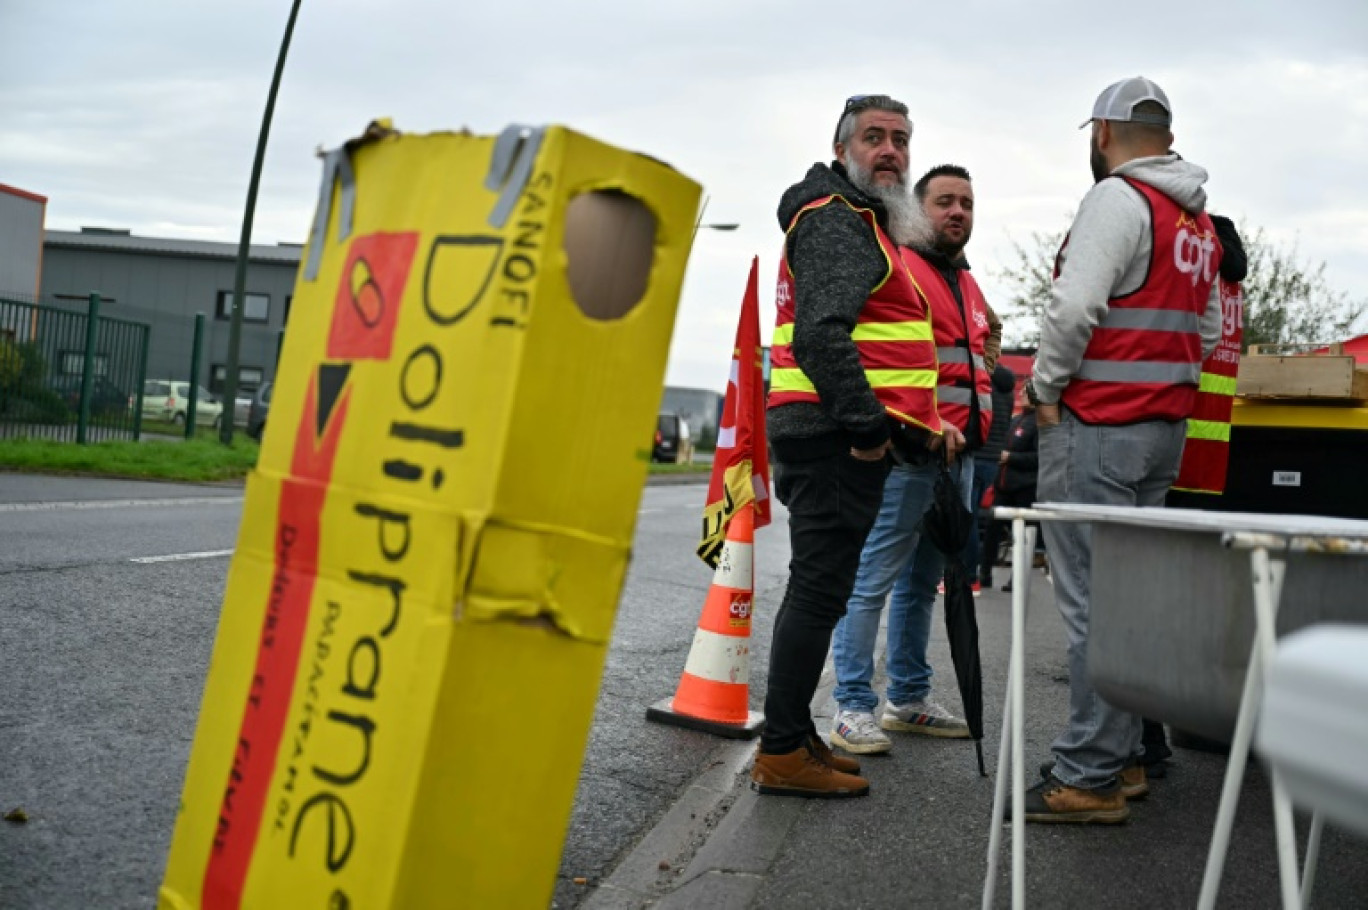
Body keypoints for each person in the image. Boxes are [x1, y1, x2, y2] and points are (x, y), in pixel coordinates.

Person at [1022, 76, 1224, 824]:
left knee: (1092, 610)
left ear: (1102, 134)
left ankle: (1089, 777)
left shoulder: (1118, 198)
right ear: (1164, 133)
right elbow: (1205, 330)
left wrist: (1046, 389)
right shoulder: (1193, 219)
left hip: (1096, 428)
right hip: (1159, 431)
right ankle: (1126, 757)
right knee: (1129, 607)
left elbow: (1075, 305)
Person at [753, 95, 961, 798]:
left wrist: (920, 423)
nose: (891, 151)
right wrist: (871, 432)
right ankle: (783, 751)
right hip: (833, 439)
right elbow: (820, 337)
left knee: (825, 589)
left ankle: (794, 737)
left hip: (832, 434)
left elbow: (881, 348)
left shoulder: (862, 222)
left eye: (901, 139)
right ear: (842, 148)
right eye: (874, 138)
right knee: (819, 591)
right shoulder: (840, 220)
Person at [828, 163, 993, 756]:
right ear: (919, 211)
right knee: (871, 580)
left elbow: (984, 339)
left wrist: (981, 388)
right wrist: (925, 419)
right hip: (910, 453)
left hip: (959, 459)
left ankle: (908, 698)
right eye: (945, 202)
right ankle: (851, 706)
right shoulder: (903, 267)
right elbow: (877, 354)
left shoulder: (964, 281)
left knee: (923, 584)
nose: (957, 212)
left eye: (967, 204)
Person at [1141, 213, 1249, 770]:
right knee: (1189, 605)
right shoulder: (1232, 281)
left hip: (1167, 448)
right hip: (1212, 461)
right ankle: (1179, 721)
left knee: (1143, 602)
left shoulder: (1196, 269)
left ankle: (1146, 739)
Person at [986, 383, 1040, 593]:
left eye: (1025, 392)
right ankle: (984, 573)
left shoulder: (1038, 423)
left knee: (1022, 536)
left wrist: (1011, 457)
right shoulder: (1016, 419)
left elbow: (1039, 458)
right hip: (1004, 485)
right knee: (992, 529)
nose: (1020, 394)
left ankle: (1017, 580)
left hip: (1025, 487)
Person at [971, 363, 1016, 589]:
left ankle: (970, 574)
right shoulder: (1008, 392)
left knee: (967, 517)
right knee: (984, 521)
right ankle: (979, 573)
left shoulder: (981, 384)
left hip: (977, 455)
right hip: (995, 460)